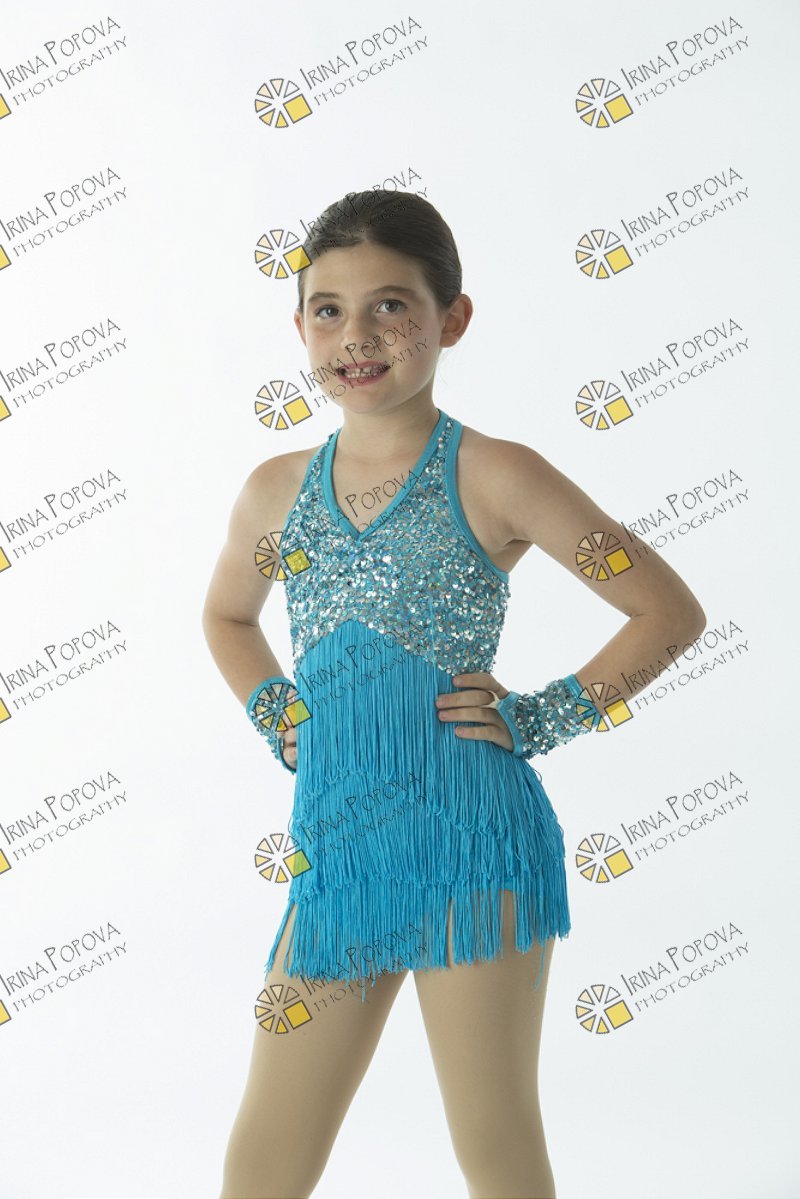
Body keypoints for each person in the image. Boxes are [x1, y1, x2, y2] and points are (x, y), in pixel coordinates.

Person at [203, 189, 706, 1199]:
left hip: (477, 850)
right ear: (300, 326)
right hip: (339, 856)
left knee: (494, 1141)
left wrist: (543, 714)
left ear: (452, 318)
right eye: (329, 310)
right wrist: (275, 711)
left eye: (391, 306)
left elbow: (666, 610)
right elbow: (227, 617)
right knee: (264, 1155)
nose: (357, 336)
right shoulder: (273, 490)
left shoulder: (497, 474)